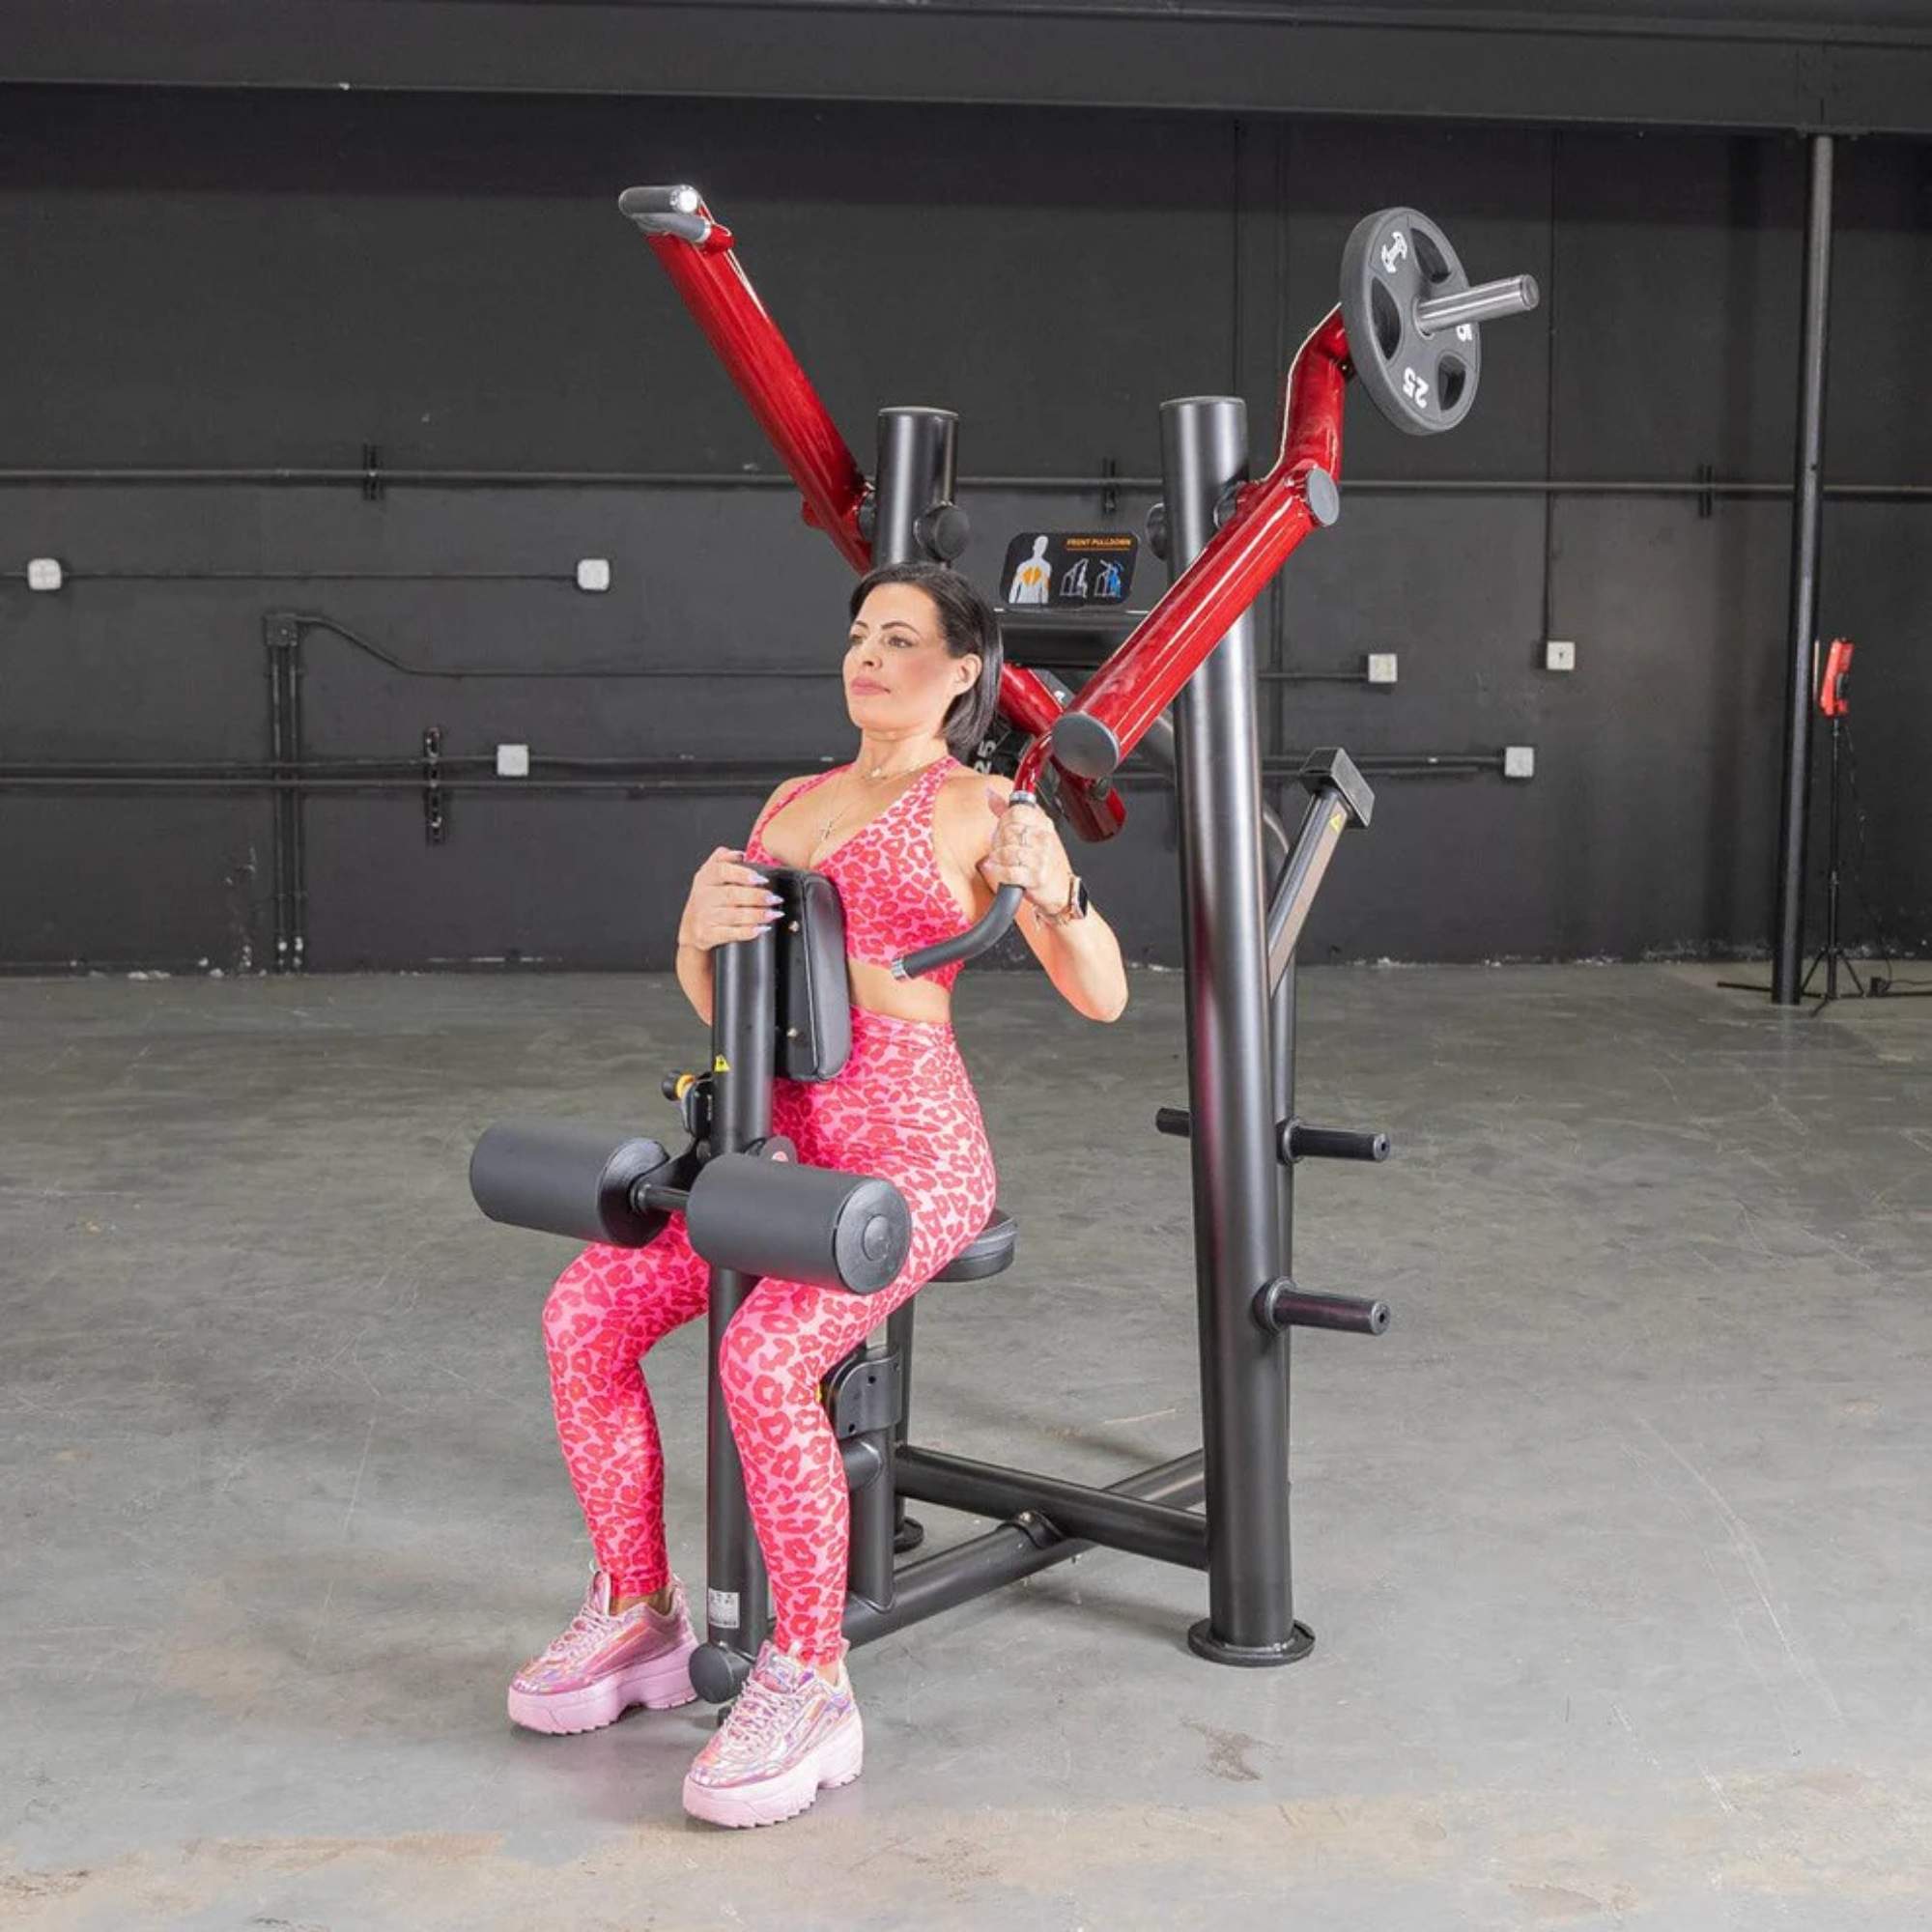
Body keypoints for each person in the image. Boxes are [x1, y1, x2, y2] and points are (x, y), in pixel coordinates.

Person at [510, 559, 1129, 1828]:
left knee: (763, 1361)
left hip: (910, 1149)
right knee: (585, 1313)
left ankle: (810, 1676)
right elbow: (728, 1000)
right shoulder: (792, 803)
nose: (870, 656)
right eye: (860, 634)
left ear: (963, 673)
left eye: (902, 640)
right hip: (770, 1138)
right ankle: (637, 1615)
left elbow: (1104, 993)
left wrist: (1059, 892)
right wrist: (692, 931)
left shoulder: (979, 807)